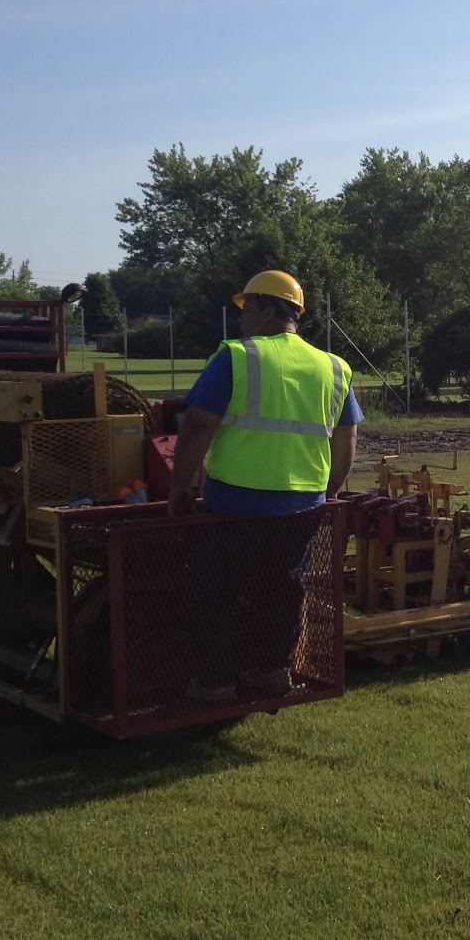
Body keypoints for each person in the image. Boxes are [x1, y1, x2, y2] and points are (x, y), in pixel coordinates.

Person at [168, 270, 362, 701]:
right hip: (301, 506)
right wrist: (329, 491)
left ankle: (215, 683)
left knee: (216, 594)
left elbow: (199, 424)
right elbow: (347, 438)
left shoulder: (238, 357)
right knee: (283, 589)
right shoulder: (333, 367)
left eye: (248, 309)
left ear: (271, 311)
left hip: (232, 502)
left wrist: (180, 485)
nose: (241, 320)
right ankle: (273, 672)